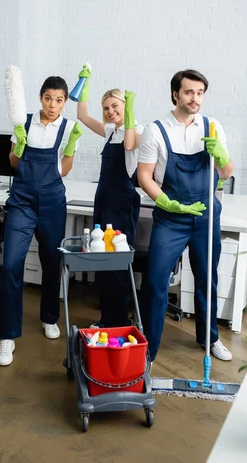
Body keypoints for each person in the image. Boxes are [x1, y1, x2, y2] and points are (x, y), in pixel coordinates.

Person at [137, 69, 234, 362]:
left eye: (200, 93)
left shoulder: (212, 126)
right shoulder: (156, 130)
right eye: (189, 92)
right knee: (155, 281)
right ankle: (148, 350)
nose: (195, 98)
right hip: (171, 217)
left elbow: (226, 174)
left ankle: (210, 339)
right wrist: (167, 202)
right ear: (175, 94)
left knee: (207, 279)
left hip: (206, 215)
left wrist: (222, 157)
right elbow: (144, 176)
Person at [0, 76, 83, 366]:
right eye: (48, 98)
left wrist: (69, 149)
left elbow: (64, 170)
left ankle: (49, 317)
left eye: (59, 100)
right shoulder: (25, 122)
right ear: (40, 97)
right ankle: (6, 336)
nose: (52, 105)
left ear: (65, 101)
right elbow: (14, 162)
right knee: (10, 265)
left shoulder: (69, 127)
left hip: (53, 201)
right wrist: (19, 145)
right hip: (22, 201)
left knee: (51, 261)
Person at [76, 65, 143, 328]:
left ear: (125, 106)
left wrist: (129, 112)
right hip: (104, 200)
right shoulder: (110, 131)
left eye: (115, 106)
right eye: (106, 108)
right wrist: (84, 83)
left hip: (122, 203)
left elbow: (129, 145)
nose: (109, 112)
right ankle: (108, 319)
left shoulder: (137, 129)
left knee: (116, 261)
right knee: (101, 257)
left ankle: (117, 321)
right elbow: (82, 115)